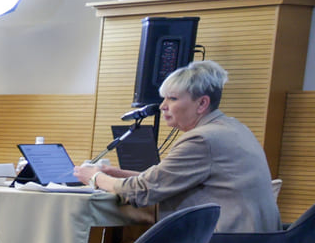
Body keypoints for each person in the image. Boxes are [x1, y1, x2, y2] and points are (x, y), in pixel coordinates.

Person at [75, 61, 280, 233]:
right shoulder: (234, 128)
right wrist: (117, 174)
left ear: (202, 104)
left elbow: (142, 192)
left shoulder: (202, 140)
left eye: (172, 98)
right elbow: (165, 180)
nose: (162, 106)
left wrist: (95, 177)